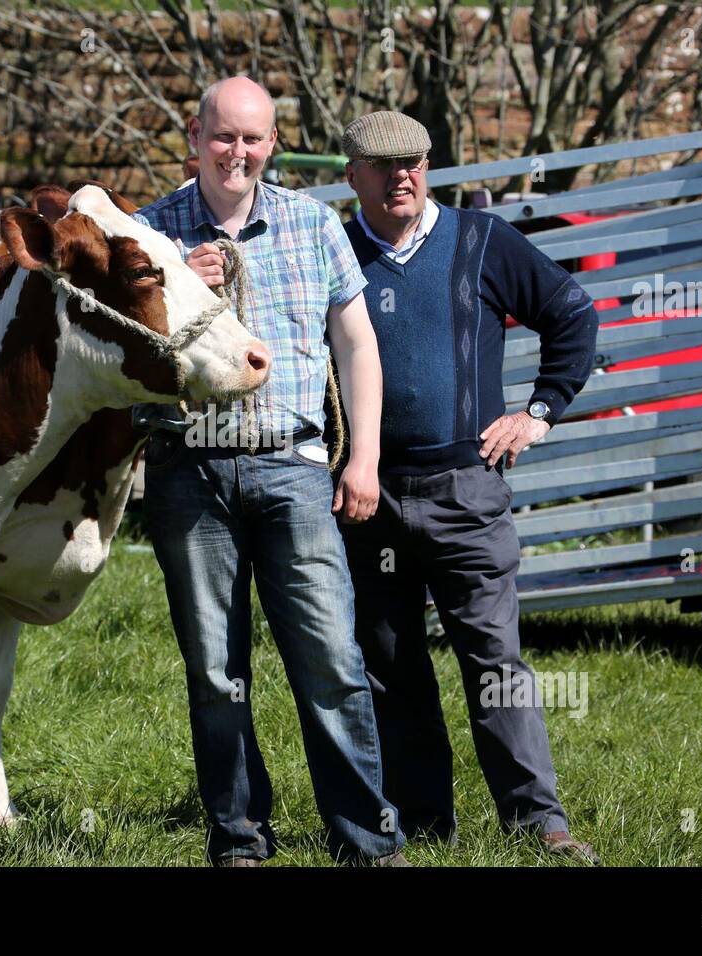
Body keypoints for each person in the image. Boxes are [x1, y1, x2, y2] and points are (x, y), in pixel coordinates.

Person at [133, 77, 407, 866]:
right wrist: (172, 290)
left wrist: (364, 456)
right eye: (224, 137)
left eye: (253, 139)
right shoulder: (152, 237)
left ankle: (367, 842)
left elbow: (357, 345)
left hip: (293, 468)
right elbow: (128, 366)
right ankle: (239, 839)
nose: (238, 153)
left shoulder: (312, 224)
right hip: (190, 473)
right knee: (217, 673)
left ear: (273, 144)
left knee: (332, 662)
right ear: (195, 137)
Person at [338, 110, 603, 864]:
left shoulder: (483, 240)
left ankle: (539, 824)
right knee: (390, 666)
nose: (403, 177)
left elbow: (572, 315)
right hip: (367, 495)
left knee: (495, 662)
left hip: (466, 491)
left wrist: (537, 414)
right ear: (352, 174)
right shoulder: (336, 250)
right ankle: (423, 823)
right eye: (384, 166)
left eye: (416, 162)